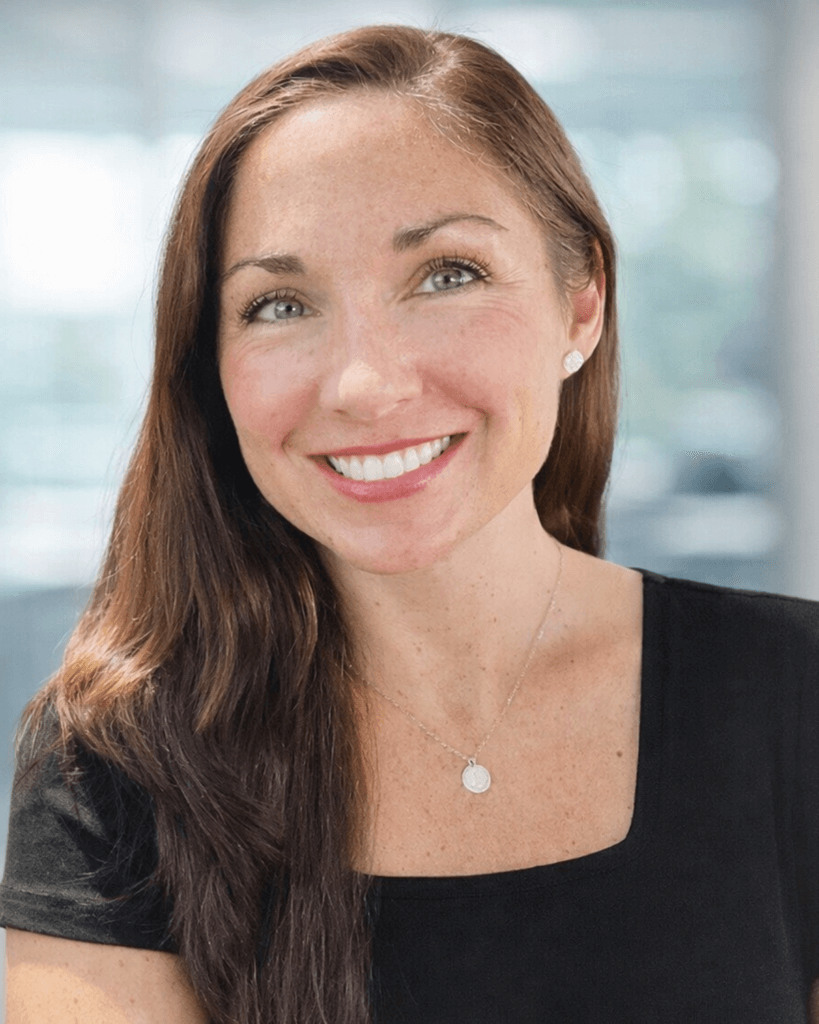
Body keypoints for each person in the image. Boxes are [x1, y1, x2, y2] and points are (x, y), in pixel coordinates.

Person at [1, 23, 817, 1024]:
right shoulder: (121, 766)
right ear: (208, 364)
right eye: (281, 303)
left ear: (582, 305)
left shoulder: (798, 693)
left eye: (447, 275)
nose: (364, 383)